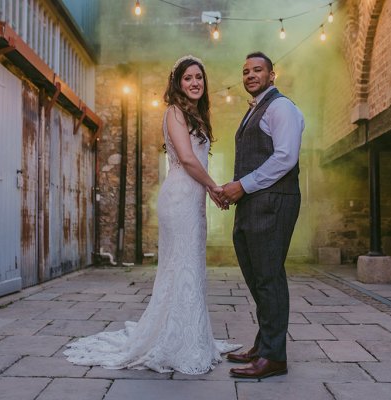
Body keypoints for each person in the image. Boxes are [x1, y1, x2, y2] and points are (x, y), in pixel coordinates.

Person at [64, 55, 240, 375]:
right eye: (188, 78)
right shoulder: (174, 112)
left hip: (193, 198)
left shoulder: (197, 116)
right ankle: (176, 340)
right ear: (177, 83)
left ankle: (191, 334)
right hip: (179, 198)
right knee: (181, 265)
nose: (195, 82)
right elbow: (186, 159)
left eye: (199, 77)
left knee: (190, 266)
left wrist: (208, 192)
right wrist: (215, 188)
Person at [217, 51, 304, 379]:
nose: (250, 75)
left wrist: (243, 185)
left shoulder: (281, 107)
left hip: (274, 201)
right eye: (245, 71)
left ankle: (274, 357)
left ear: (272, 74)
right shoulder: (256, 108)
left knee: (268, 276)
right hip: (256, 199)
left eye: (257, 70)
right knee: (256, 273)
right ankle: (264, 343)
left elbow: (285, 158)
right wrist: (236, 188)